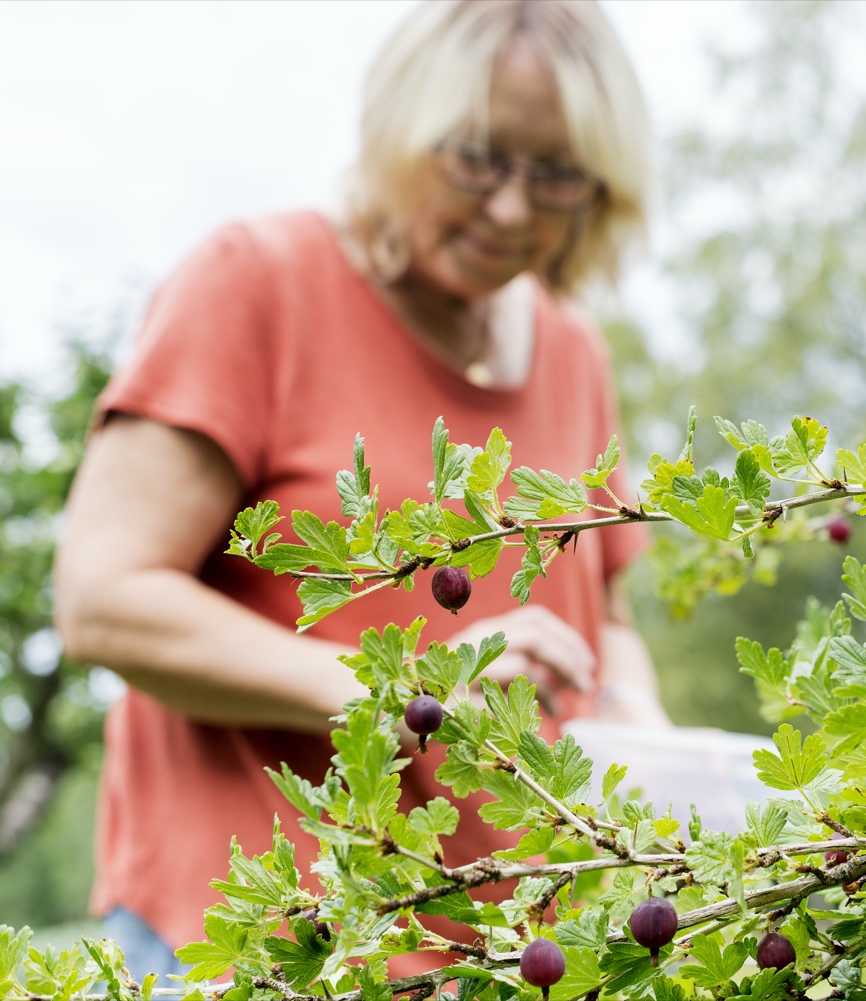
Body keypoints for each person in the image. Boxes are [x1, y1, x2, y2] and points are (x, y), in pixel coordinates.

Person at [53, 0, 668, 981]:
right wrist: (399, 693)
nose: (511, 207)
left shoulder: (572, 346)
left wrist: (639, 718)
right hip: (261, 946)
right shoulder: (256, 283)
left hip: (504, 957)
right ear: (396, 133)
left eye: (554, 174)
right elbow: (103, 601)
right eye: (476, 158)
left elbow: (608, 611)